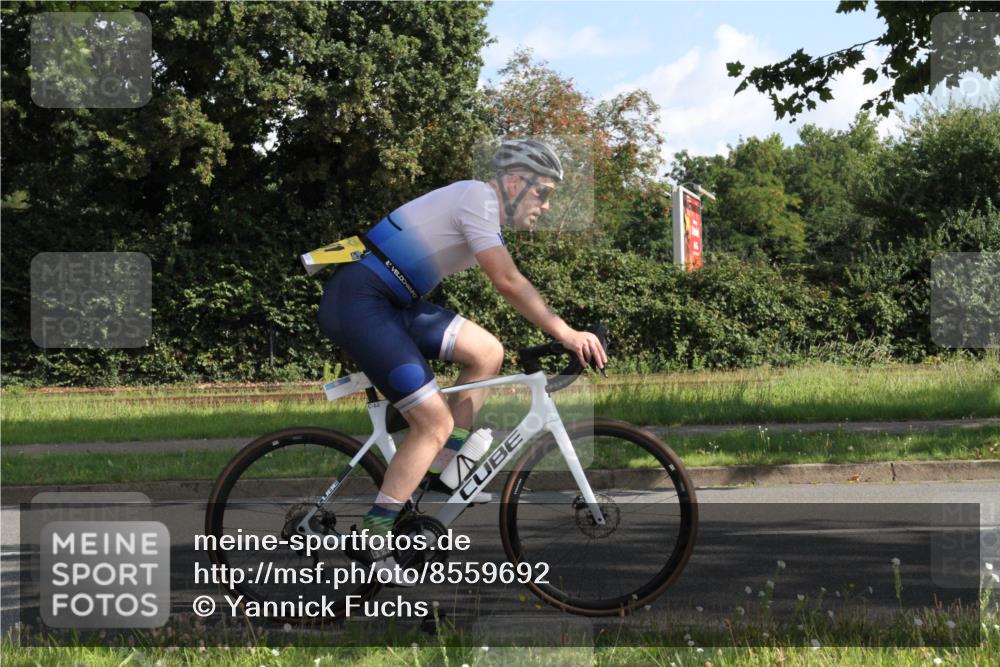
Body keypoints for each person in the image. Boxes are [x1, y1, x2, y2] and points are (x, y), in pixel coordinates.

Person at [317, 139, 607, 579]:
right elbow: (508, 281)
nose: (545, 206)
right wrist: (565, 333)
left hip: (391, 303)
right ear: (514, 182)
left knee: (487, 353)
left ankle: (443, 471)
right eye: (542, 193)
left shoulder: (483, 208)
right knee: (433, 422)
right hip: (361, 302)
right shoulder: (478, 197)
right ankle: (375, 536)